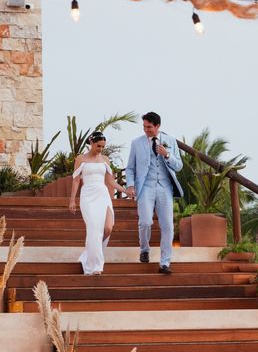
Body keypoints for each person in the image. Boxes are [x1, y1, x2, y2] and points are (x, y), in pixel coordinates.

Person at [125, 112, 183, 274]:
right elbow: (130, 168)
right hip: (145, 187)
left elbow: (179, 166)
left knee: (168, 226)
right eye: (144, 126)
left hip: (165, 187)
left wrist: (168, 155)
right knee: (145, 222)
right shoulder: (136, 143)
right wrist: (130, 185)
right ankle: (144, 249)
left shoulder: (170, 141)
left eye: (149, 127)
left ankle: (165, 263)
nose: (146, 130)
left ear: (157, 126)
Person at [69, 131, 127, 275]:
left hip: (102, 195)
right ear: (91, 143)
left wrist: (125, 190)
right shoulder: (80, 159)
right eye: (98, 146)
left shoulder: (105, 159)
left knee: (108, 228)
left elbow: (110, 181)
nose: (100, 149)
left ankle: (90, 254)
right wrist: (72, 200)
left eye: (102, 146)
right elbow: (76, 180)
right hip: (88, 196)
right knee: (94, 229)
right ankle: (95, 266)